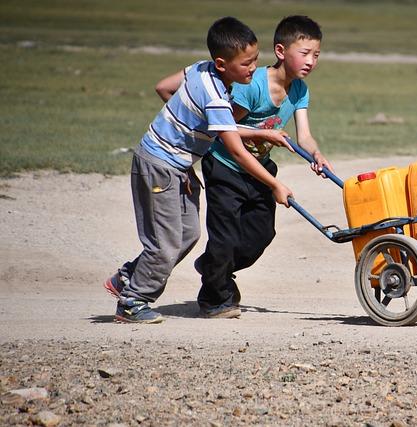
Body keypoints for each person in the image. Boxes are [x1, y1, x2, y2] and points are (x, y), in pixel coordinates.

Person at [103, 17, 293, 323]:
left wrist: (185, 148)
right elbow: (235, 149)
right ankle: (133, 300)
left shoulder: (199, 68)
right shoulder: (217, 97)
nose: (253, 68)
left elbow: (163, 87)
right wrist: (275, 184)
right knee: (164, 243)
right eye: (246, 63)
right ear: (222, 63)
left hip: (175, 165)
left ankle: (128, 275)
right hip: (158, 166)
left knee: (188, 234)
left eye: (256, 59)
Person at [194, 15, 333, 319]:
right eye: (304, 53)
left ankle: (213, 266)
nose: (311, 61)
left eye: (317, 55)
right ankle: (214, 297)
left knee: (261, 235)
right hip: (225, 167)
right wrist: (263, 133)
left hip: (260, 169)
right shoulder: (253, 86)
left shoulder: (299, 91)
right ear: (281, 52)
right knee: (225, 237)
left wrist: (316, 155)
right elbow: (222, 127)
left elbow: (304, 136)